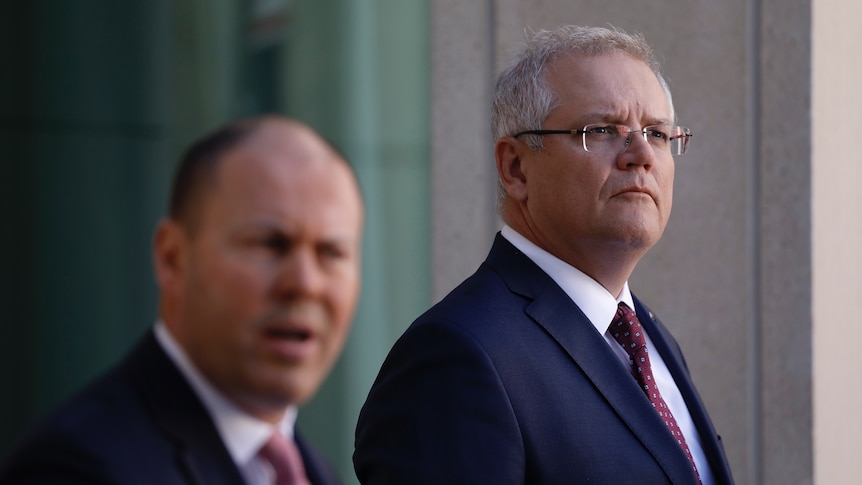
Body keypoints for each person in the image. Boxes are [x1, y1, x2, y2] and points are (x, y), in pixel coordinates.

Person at [354, 25, 734, 484]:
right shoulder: (456, 358)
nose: (640, 155)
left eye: (656, 133)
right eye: (601, 130)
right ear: (515, 167)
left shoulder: (650, 338)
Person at [0, 115, 364, 484]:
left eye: (332, 252)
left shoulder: (316, 471)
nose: (305, 284)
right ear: (172, 257)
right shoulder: (77, 468)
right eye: (271, 244)